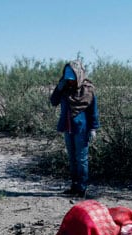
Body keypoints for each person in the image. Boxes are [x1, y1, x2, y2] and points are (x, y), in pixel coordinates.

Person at [49, 60, 100, 197]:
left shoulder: (87, 90)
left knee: (81, 159)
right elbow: (53, 102)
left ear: (79, 75)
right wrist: (58, 88)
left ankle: (82, 188)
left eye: (72, 79)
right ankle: (74, 186)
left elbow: (93, 110)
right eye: (68, 79)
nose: (69, 82)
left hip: (81, 129)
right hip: (67, 128)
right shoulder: (64, 88)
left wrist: (93, 128)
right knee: (72, 158)